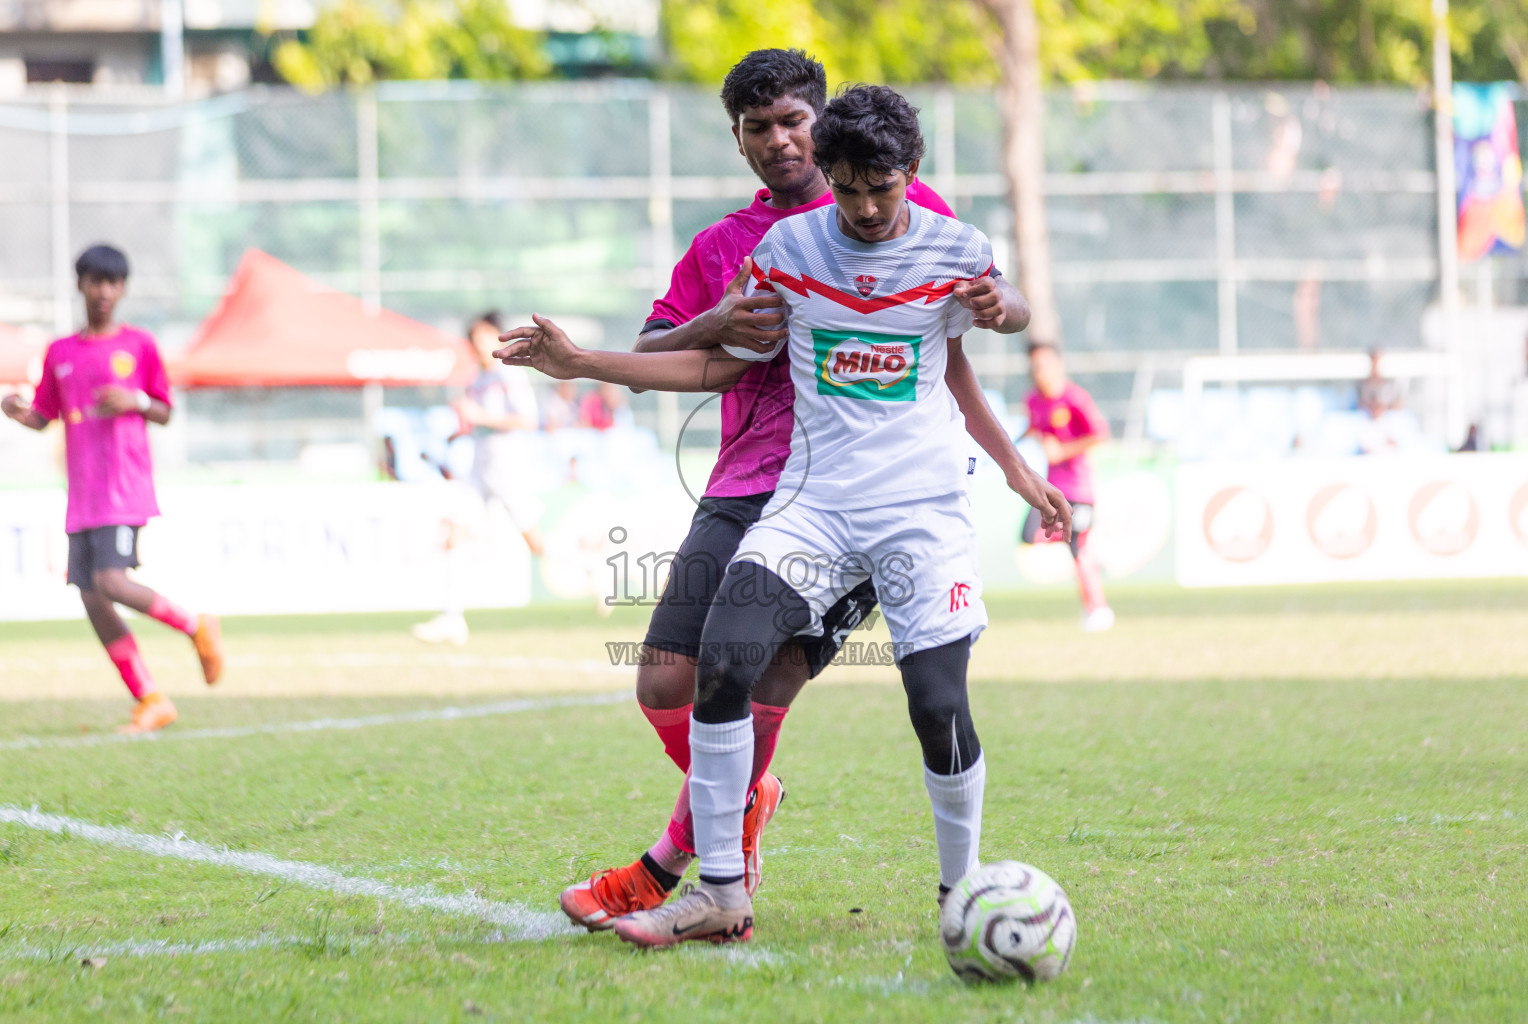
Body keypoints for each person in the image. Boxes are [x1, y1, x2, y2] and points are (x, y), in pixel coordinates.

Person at [500, 50, 1066, 934]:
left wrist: (1014, 462)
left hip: (900, 500)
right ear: (737, 140)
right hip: (766, 488)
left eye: (793, 121)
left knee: (835, 688)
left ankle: (678, 864)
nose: (779, 141)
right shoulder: (754, 247)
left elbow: (957, 346)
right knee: (673, 677)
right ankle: (730, 843)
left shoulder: (934, 227)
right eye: (758, 128)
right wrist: (644, 341)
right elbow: (687, 352)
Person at [0, 244, 223, 733]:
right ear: (81, 284)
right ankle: (150, 698)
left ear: (122, 289)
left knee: (111, 581)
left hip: (123, 487)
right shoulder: (60, 352)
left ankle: (195, 625)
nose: (104, 292)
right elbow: (44, 416)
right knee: (92, 596)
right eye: (96, 282)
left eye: (113, 283)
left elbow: (164, 410)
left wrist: (135, 399)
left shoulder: (139, 346)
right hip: (81, 494)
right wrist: (19, 413)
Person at [412, 311, 545, 646]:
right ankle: (452, 618)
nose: (478, 344)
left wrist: (480, 416)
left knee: (535, 543)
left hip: (507, 468)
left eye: (484, 337)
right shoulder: (477, 380)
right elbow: (476, 424)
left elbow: (527, 420)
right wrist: (456, 434)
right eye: (474, 339)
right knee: (456, 531)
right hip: (480, 467)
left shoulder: (511, 375)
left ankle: (593, 573)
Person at [1022, 341, 1114, 631]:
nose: (1040, 371)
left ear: (1059, 365)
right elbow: (1034, 429)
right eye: (1035, 366)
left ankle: (1098, 609)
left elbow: (1100, 434)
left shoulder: (1076, 398)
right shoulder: (1033, 400)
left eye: (1045, 364)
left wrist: (1063, 450)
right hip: (1050, 489)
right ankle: (1094, 557)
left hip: (1079, 488)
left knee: (1078, 549)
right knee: (1028, 535)